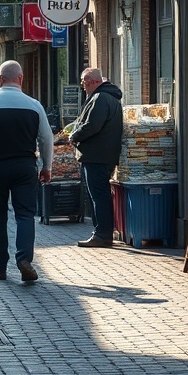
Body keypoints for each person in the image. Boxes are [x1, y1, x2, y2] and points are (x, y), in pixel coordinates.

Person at [0, 60, 53, 283]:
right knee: (25, 215)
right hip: (25, 167)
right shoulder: (34, 105)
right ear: (21, 78)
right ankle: (24, 259)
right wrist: (46, 166)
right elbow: (46, 139)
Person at [69, 68, 124, 248]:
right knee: (100, 195)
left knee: (98, 196)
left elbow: (92, 125)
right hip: (102, 155)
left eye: (84, 83)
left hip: (96, 156)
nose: (83, 86)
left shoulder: (100, 98)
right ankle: (102, 232)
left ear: (92, 82)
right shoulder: (109, 98)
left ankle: (102, 234)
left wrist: (74, 136)